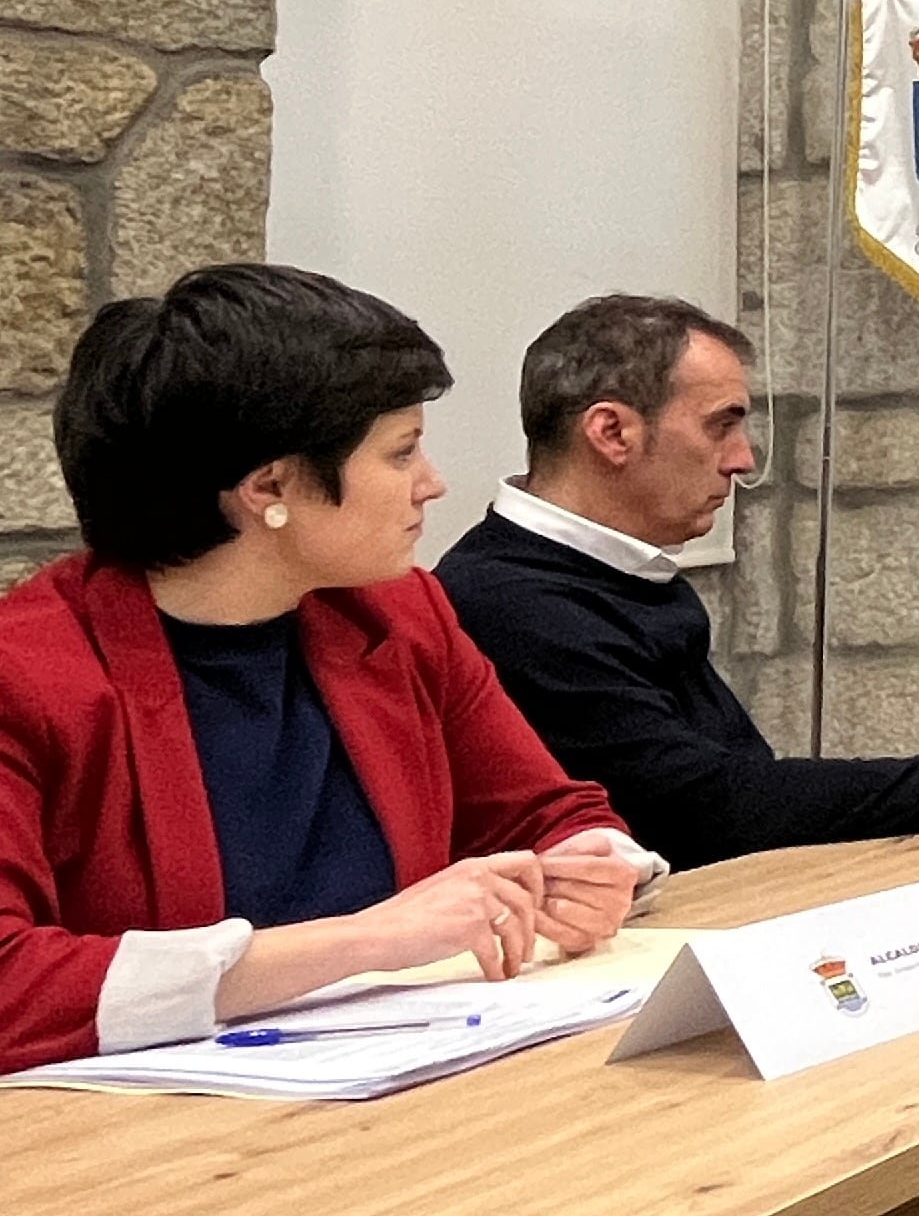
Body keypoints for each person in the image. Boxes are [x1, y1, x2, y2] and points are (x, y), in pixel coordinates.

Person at [0, 264, 656, 1073]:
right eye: (402, 451)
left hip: (412, 1085)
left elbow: (547, 815)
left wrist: (590, 869)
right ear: (269, 486)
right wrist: (369, 939)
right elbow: (10, 984)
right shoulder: (27, 674)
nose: (433, 483)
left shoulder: (400, 613)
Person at [438, 296, 919, 868]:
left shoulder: (628, 571)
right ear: (613, 433)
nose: (744, 460)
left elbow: (740, 790)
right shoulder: (509, 603)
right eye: (722, 427)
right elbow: (706, 811)